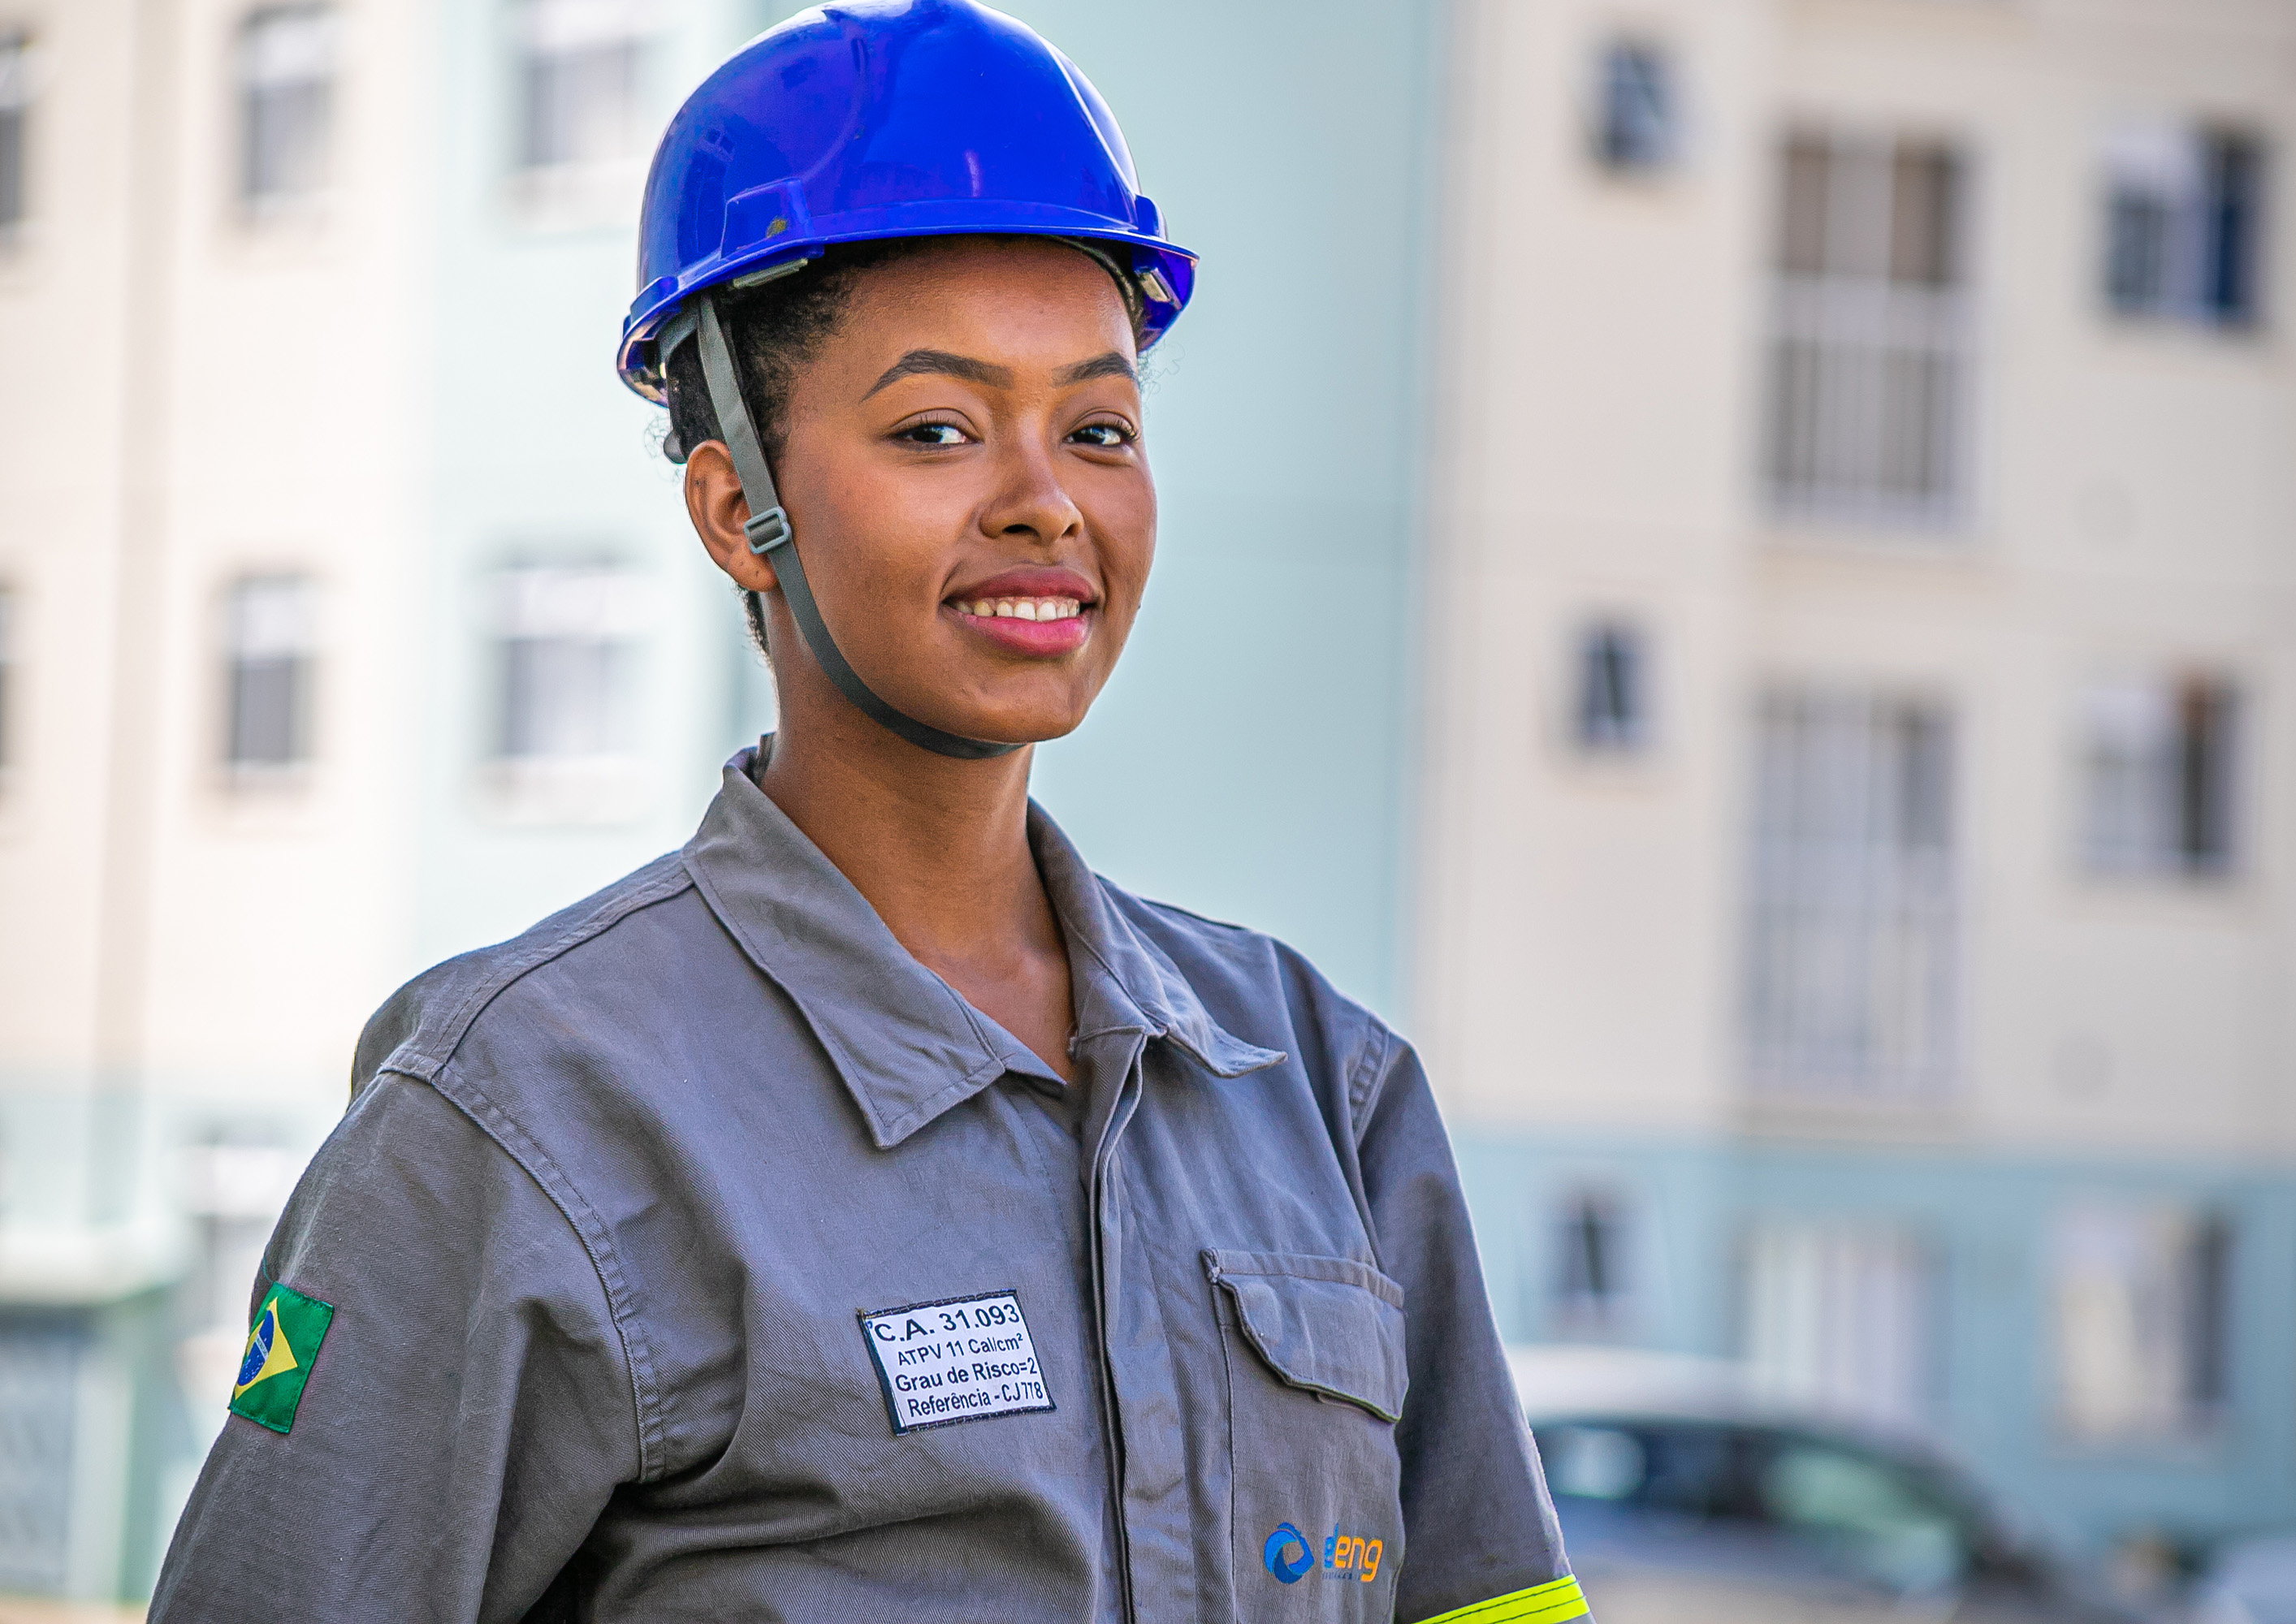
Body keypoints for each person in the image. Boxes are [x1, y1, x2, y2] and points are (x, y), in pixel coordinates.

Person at [149, 4, 1582, 1620]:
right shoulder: (521, 1115)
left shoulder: (1317, 1087)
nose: (1047, 498)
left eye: (1099, 428)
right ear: (734, 508)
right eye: (936, 430)